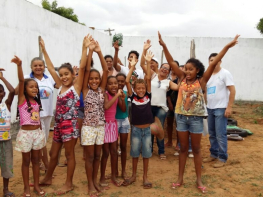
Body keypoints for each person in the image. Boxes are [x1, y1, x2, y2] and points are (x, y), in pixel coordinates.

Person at [159, 31, 239, 193]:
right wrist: (164, 46)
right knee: (182, 149)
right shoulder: (181, 78)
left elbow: (213, 63)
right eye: (186, 69)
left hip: (195, 119)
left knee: (196, 150)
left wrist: (227, 47)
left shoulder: (202, 81)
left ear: (197, 71)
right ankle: (180, 179)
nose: (187, 72)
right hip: (181, 118)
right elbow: (170, 62)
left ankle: (199, 180)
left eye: (190, 69)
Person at [39, 34, 90, 195]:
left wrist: (84, 48)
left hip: (70, 126)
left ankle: (69, 184)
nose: (63, 77)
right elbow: (50, 66)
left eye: (66, 74)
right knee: (53, 153)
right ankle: (48, 178)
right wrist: (44, 50)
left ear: (73, 75)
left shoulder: (76, 88)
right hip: (59, 125)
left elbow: (82, 67)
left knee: (69, 154)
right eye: (61, 75)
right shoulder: (60, 86)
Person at [12, 56, 46, 197]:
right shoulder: (22, 99)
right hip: (25, 135)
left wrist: (40, 131)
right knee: (26, 161)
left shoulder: (36, 102)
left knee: (36, 161)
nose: (35, 89)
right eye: (31, 87)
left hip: (37, 134)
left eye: (36, 87)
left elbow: (37, 119)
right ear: (24, 89)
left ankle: (36, 186)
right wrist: (19, 66)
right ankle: (27, 188)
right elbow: (20, 80)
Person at [141, 40, 178, 160]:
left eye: (167, 69)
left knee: (160, 129)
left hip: (161, 108)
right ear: (160, 68)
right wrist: (145, 50)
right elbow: (142, 64)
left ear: (169, 72)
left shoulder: (168, 82)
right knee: (150, 129)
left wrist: (182, 76)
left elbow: (178, 88)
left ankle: (161, 151)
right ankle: (150, 150)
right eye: (163, 67)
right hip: (149, 106)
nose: (164, 69)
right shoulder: (152, 75)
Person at [81, 38, 109, 196]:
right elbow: (85, 71)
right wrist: (90, 50)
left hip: (100, 127)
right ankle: (90, 184)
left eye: (96, 78)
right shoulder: (86, 91)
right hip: (88, 128)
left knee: (98, 155)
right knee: (90, 156)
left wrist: (99, 52)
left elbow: (105, 70)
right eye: (91, 79)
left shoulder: (101, 89)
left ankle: (96, 181)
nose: (94, 80)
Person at [122, 50, 153, 189]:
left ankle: (145, 177)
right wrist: (132, 66)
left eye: (143, 88)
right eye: (138, 88)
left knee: (146, 154)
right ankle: (134, 175)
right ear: (134, 89)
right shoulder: (132, 97)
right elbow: (127, 80)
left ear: (146, 88)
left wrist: (147, 61)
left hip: (147, 130)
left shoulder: (148, 96)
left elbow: (148, 77)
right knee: (135, 154)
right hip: (135, 130)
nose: (141, 90)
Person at [203, 53, 236, 168]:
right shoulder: (208, 75)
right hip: (210, 108)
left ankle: (222, 157)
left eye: (216, 60)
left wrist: (229, 107)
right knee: (212, 133)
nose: (214, 62)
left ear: (220, 61)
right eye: (211, 60)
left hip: (221, 108)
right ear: (209, 62)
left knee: (220, 134)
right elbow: (206, 91)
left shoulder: (225, 74)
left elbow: (232, 90)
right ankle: (213, 154)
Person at [100, 76, 126, 187]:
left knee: (114, 152)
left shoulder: (117, 96)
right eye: (110, 83)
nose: (114, 85)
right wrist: (117, 96)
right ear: (106, 86)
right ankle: (101, 177)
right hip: (105, 125)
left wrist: (122, 99)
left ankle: (113, 176)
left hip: (113, 125)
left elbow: (123, 109)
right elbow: (106, 106)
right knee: (105, 153)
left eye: (115, 83)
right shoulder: (106, 94)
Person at [0, 69, 15, 197]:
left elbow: (13, 91)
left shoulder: (6, 105)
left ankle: (5, 189)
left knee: (6, 165)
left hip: (6, 141)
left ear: (3, 93)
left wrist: (2, 78)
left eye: (0, 91)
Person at [115, 73, 130, 179]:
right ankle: (115, 171)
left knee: (123, 147)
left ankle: (123, 171)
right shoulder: (110, 94)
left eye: (122, 81)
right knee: (114, 148)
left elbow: (124, 109)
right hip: (113, 122)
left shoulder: (125, 93)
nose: (120, 83)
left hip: (124, 121)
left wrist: (120, 97)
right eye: (118, 81)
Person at [166, 61, 179, 148]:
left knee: (179, 124)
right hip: (169, 103)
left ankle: (178, 143)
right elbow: (167, 93)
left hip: (179, 104)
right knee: (169, 123)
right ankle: (170, 141)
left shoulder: (180, 78)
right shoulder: (167, 78)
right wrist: (170, 103)